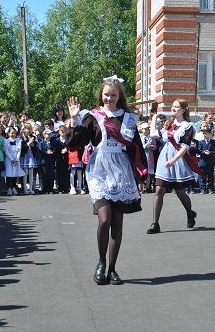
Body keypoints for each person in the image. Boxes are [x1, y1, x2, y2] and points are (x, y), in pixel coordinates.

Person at [65, 77, 147, 285]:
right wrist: (74, 119)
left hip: (121, 170)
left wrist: (142, 175)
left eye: (113, 95)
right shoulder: (93, 116)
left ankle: (112, 269)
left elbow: (135, 147)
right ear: (101, 95)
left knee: (117, 223)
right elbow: (74, 144)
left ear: (119, 97)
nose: (109, 98)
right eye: (106, 94)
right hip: (100, 169)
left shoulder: (128, 118)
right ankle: (101, 262)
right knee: (105, 218)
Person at [148, 99, 199, 232]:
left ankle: (189, 213)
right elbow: (153, 135)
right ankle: (155, 224)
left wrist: (174, 160)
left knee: (180, 192)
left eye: (177, 107)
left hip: (177, 161)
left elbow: (184, 147)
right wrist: (154, 118)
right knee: (159, 190)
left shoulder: (188, 126)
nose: (173, 108)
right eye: (173, 106)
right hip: (164, 159)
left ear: (183, 109)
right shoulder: (169, 124)